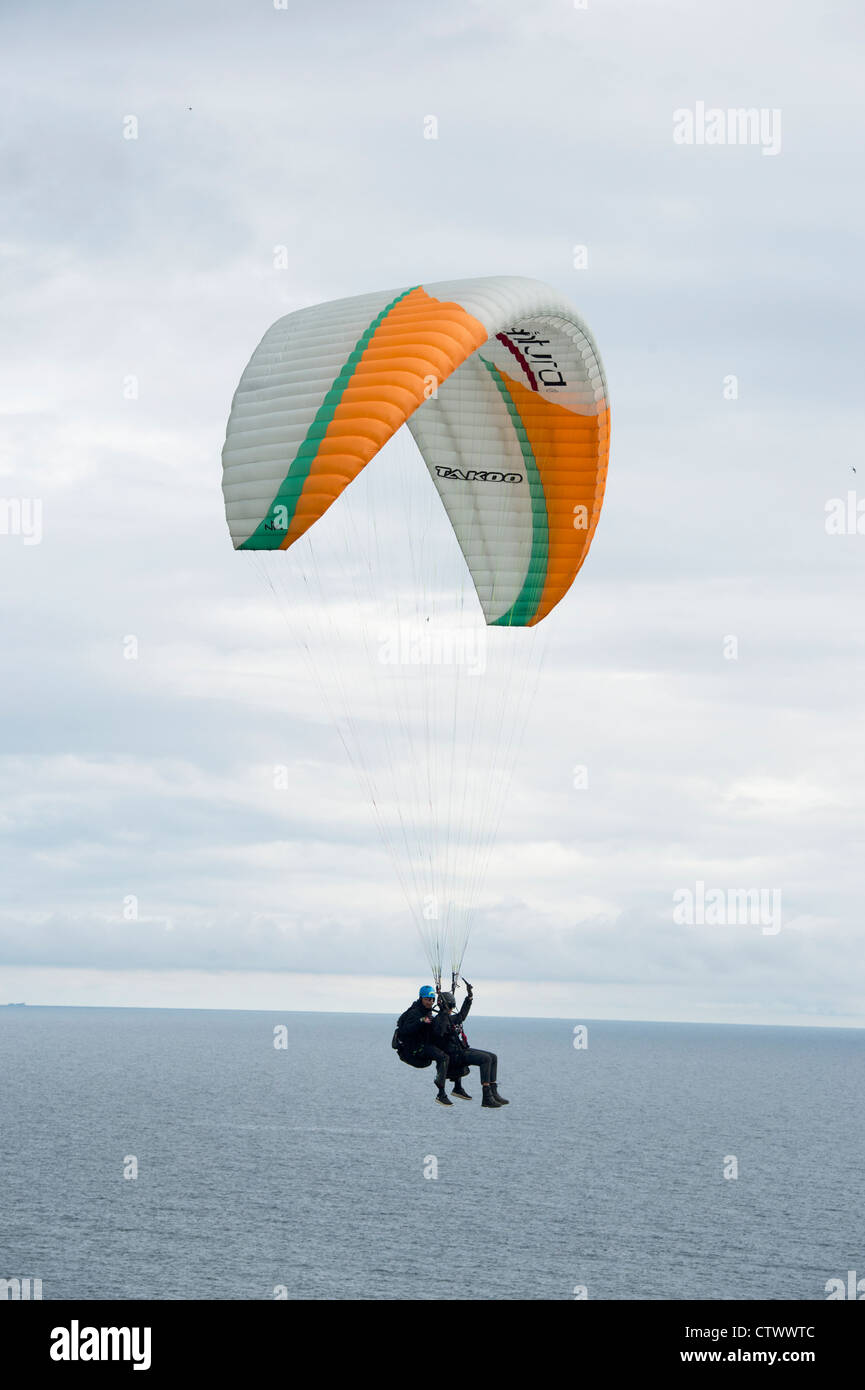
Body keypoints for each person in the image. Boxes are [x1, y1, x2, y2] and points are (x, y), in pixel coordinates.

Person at [434, 981, 509, 1108]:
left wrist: (469, 997)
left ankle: (493, 1091)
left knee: (493, 1057)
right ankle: (487, 1097)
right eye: (451, 1006)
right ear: (446, 1006)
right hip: (454, 1056)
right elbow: (439, 1034)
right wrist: (449, 1024)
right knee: (485, 1059)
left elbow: (462, 1015)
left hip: (460, 1051)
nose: (452, 1009)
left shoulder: (449, 1018)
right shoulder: (439, 1021)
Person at [394, 985, 453, 1105]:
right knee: (443, 1057)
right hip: (414, 1050)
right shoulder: (414, 1012)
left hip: (423, 1045)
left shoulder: (427, 1011)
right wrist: (421, 1021)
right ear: (421, 998)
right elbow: (405, 1029)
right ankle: (441, 1094)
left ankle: (457, 1086)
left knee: (449, 1052)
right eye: (427, 999)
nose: (430, 1002)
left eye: (432, 1000)